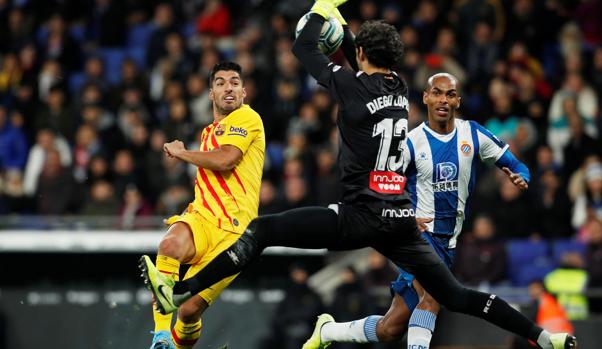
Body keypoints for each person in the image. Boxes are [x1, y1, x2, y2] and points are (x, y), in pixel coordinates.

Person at [140, 2, 576, 349]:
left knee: (264, 229)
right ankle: (544, 338)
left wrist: (322, 8)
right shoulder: (399, 88)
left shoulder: (350, 88)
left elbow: (303, 46)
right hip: (400, 221)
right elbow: (357, 56)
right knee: (456, 296)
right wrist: (344, 30)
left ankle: (182, 291)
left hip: (358, 216)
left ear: (362, 57)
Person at [316, 72, 528, 349]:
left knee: (390, 327)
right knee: (431, 297)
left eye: (450, 94)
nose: (443, 99)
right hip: (415, 236)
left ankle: (329, 331)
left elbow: (518, 165)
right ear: (426, 97)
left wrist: (522, 176)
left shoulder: (473, 134)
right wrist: (406, 214)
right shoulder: (411, 142)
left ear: (458, 101)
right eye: (437, 93)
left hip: (448, 242)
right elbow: (382, 187)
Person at [139, 61, 266, 349]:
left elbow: (226, 160)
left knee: (188, 310)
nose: (228, 87)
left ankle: (179, 340)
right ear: (211, 94)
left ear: (244, 92)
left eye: (234, 82)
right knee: (169, 246)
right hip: (203, 218)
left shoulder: (248, 118)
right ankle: (160, 337)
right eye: (220, 83)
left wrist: (182, 153)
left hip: (235, 234)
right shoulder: (209, 131)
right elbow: (215, 181)